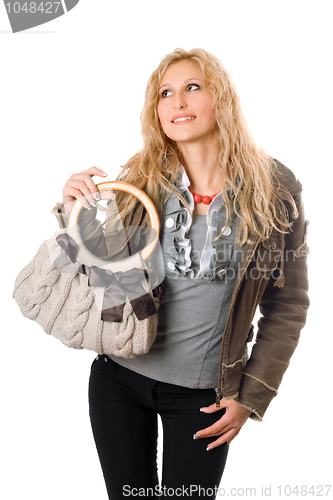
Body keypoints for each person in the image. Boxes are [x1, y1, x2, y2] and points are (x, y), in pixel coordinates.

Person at [52, 48, 309, 499]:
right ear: (157, 111)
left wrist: (251, 393)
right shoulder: (143, 177)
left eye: (193, 87)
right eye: (165, 93)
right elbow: (113, 280)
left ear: (221, 98)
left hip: (202, 397)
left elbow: (287, 305)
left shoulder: (276, 190)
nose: (178, 102)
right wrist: (77, 215)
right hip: (118, 378)